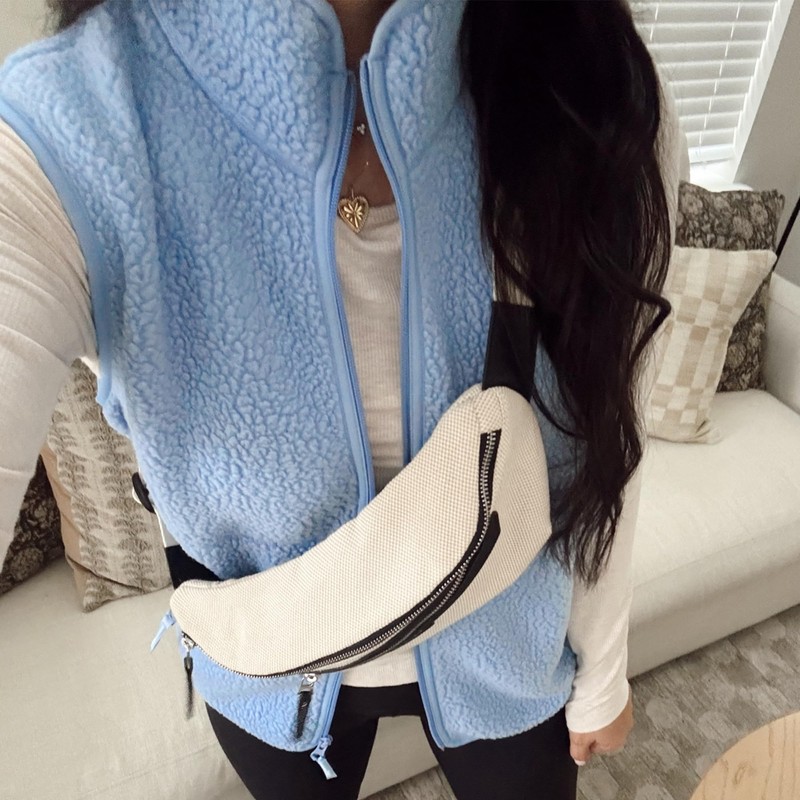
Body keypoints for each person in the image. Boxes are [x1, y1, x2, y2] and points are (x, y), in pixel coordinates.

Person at [0, 0, 680, 798]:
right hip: (273, 660)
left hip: (510, 640)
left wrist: (602, 671)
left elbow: (609, 431)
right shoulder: (71, 129)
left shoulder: (596, 90)